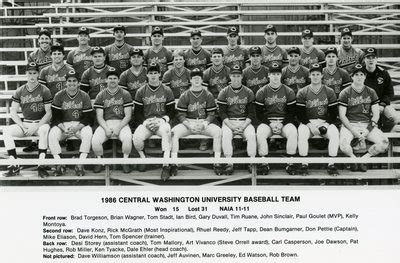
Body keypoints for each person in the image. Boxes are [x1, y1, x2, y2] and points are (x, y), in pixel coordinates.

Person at [2, 62, 52, 177]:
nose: (32, 76)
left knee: (44, 130)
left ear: (38, 74)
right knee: (6, 131)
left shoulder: (44, 90)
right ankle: (15, 163)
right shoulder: (20, 90)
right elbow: (13, 112)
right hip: (26, 123)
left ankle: (41, 164)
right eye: (30, 73)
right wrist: (22, 125)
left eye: (34, 73)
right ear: (26, 74)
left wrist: (37, 125)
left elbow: (49, 113)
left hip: (41, 124)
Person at [171, 68, 223, 176]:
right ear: (190, 80)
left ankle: (217, 162)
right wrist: (188, 125)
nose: (196, 80)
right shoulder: (185, 95)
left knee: (218, 131)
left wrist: (205, 124)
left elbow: (211, 113)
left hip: (203, 122)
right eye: (194, 78)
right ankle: (174, 163)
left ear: (202, 80)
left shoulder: (208, 94)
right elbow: (180, 115)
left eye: (198, 78)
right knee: (173, 133)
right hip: (189, 122)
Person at [338, 64, 388, 172]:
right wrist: (352, 130)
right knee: (343, 145)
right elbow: (342, 115)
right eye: (356, 74)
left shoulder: (371, 91)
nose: (359, 77)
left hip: (366, 124)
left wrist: (368, 130)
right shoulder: (345, 92)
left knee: (384, 142)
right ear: (352, 76)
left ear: (365, 76)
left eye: (362, 74)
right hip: (350, 124)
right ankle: (354, 160)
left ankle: (364, 159)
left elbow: (376, 115)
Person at [132, 63, 175, 180]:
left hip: (161, 121)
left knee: (167, 133)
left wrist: (162, 121)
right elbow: (137, 113)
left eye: (155, 72)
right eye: (151, 73)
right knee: (136, 138)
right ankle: (144, 158)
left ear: (160, 74)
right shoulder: (141, 91)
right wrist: (146, 123)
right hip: (147, 122)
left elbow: (171, 111)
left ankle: (166, 165)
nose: (153, 75)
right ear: (147, 74)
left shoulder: (167, 90)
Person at [48, 70, 93, 177]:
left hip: (79, 125)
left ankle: (80, 164)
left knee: (88, 133)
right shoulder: (59, 95)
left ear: (78, 83)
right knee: (52, 135)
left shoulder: (84, 95)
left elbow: (88, 118)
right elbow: (56, 117)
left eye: (74, 81)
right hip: (63, 125)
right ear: (66, 82)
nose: (72, 83)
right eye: (69, 81)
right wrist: (64, 129)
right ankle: (59, 163)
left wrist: (77, 128)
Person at [255, 63, 297, 175]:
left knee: (293, 132)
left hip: (284, 121)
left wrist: (282, 124)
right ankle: (264, 163)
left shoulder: (288, 91)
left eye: (277, 74)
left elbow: (291, 112)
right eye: (273, 74)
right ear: (268, 75)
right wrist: (270, 124)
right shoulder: (262, 91)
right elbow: (259, 113)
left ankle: (291, 162)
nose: (275, 76)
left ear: (281, 75)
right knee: (260, 133)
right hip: (268, 121)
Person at [297, 64, 340, 176]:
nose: (315, 76)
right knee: (302, 133)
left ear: (322, 75)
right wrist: (310, 125)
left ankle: (331, 164)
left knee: (334, 133)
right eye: (313, 74)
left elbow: (334, 112)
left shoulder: (329, 91)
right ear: (309, 76)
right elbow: (300, 114)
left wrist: (326, 124)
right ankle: (304, 164)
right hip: (307, 122)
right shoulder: (302, 91)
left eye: (318, 74)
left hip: (324, 121)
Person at [92, 68, 133, 173]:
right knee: (95, 140)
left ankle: (125, 161)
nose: (112, 80)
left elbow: (128, 115)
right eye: (110, 78)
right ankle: (99, 162)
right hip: (105, 123)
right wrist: (106, 128)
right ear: (106, 80)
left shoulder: (125, 93)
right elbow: (99, 116)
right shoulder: (101, 95)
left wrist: (119, 128)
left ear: (118, 80)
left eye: (115, 78)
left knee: (128, 138)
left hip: (122, 123)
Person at [217, 65, 256, 175]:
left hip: (245, 122)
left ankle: (252, 161)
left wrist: (243, 127)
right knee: (226, 135)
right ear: (230, 77)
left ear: (242, 77)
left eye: (238, 76)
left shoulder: (248, 92)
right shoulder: (224, 92)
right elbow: (222, 113)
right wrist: (232, 126)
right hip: (229, 122)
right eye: (234, 75)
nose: (236, 78)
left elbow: (251, 113)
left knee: (252, 135)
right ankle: (229, 163)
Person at [363, 47, 400, 129]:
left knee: (395, 118)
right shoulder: (360, 73)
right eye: (368, 57)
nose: (371, 60)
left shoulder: (383, 73)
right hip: (365, 105)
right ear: (364, 59)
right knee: (372, 124)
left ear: (376, 59)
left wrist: (382, 104)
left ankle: (384, 132)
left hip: (382, 104)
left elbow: (389, 92)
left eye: (373, 57)